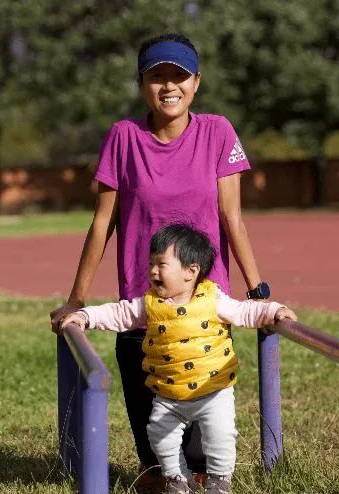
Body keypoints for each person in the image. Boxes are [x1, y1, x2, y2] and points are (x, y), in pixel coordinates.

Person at [50, 32, 268, 487]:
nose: (169, 86)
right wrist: (76, 300)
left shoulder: (217, 132)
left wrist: (258, 288)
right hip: (142, 314)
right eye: (157, 77)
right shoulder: (123, 138)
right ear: (142, 84)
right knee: (156, 465)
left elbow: (233, 217)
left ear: (196, 82)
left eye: (179, 76)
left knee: (203, 460)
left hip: (204, 315)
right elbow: (101, 223)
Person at [59, 224, 297, 494]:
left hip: (213, 390)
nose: (152, 271)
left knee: (221, 435)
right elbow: (118, 313)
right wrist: (86, 316)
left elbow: (246, 312)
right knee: (160, 436)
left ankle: (220, 480)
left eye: (161, 264)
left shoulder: (213, 300)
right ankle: (178, 479)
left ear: (190, 272)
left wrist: (276, 311)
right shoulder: (149, 305)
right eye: (151, 264)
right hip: (168, 393)